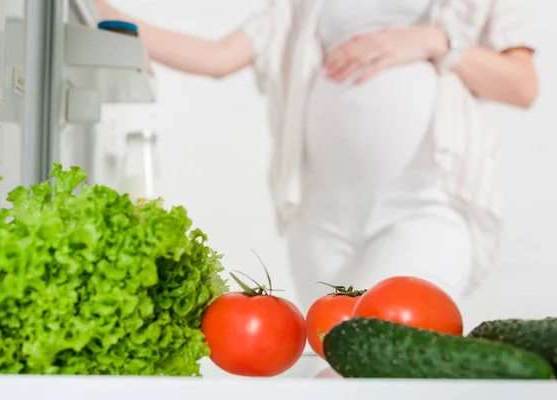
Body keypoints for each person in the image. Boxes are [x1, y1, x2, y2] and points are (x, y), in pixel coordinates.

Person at [95, 0, 538, 311]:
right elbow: (216, 58)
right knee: (333, 356)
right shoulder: (301, 6)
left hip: (426, 206)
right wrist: (101, 12)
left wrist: (435, 41)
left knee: (379, 340)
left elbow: (522, 85)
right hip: (323, 218)